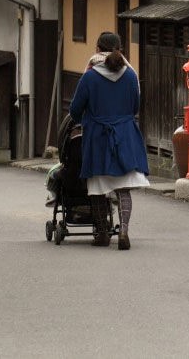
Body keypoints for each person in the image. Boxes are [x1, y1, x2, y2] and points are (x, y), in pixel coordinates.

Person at [69, 42, 149, 249]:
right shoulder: (130, 75)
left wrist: (81, 119)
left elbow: (75, 108)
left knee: (97, 188)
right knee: (123, 189)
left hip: (98, 136)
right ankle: (123, 231)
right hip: (124, 134)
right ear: (120, 50)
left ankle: (103, 234)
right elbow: (135, 106)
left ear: (98, 50)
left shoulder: (89, 76)